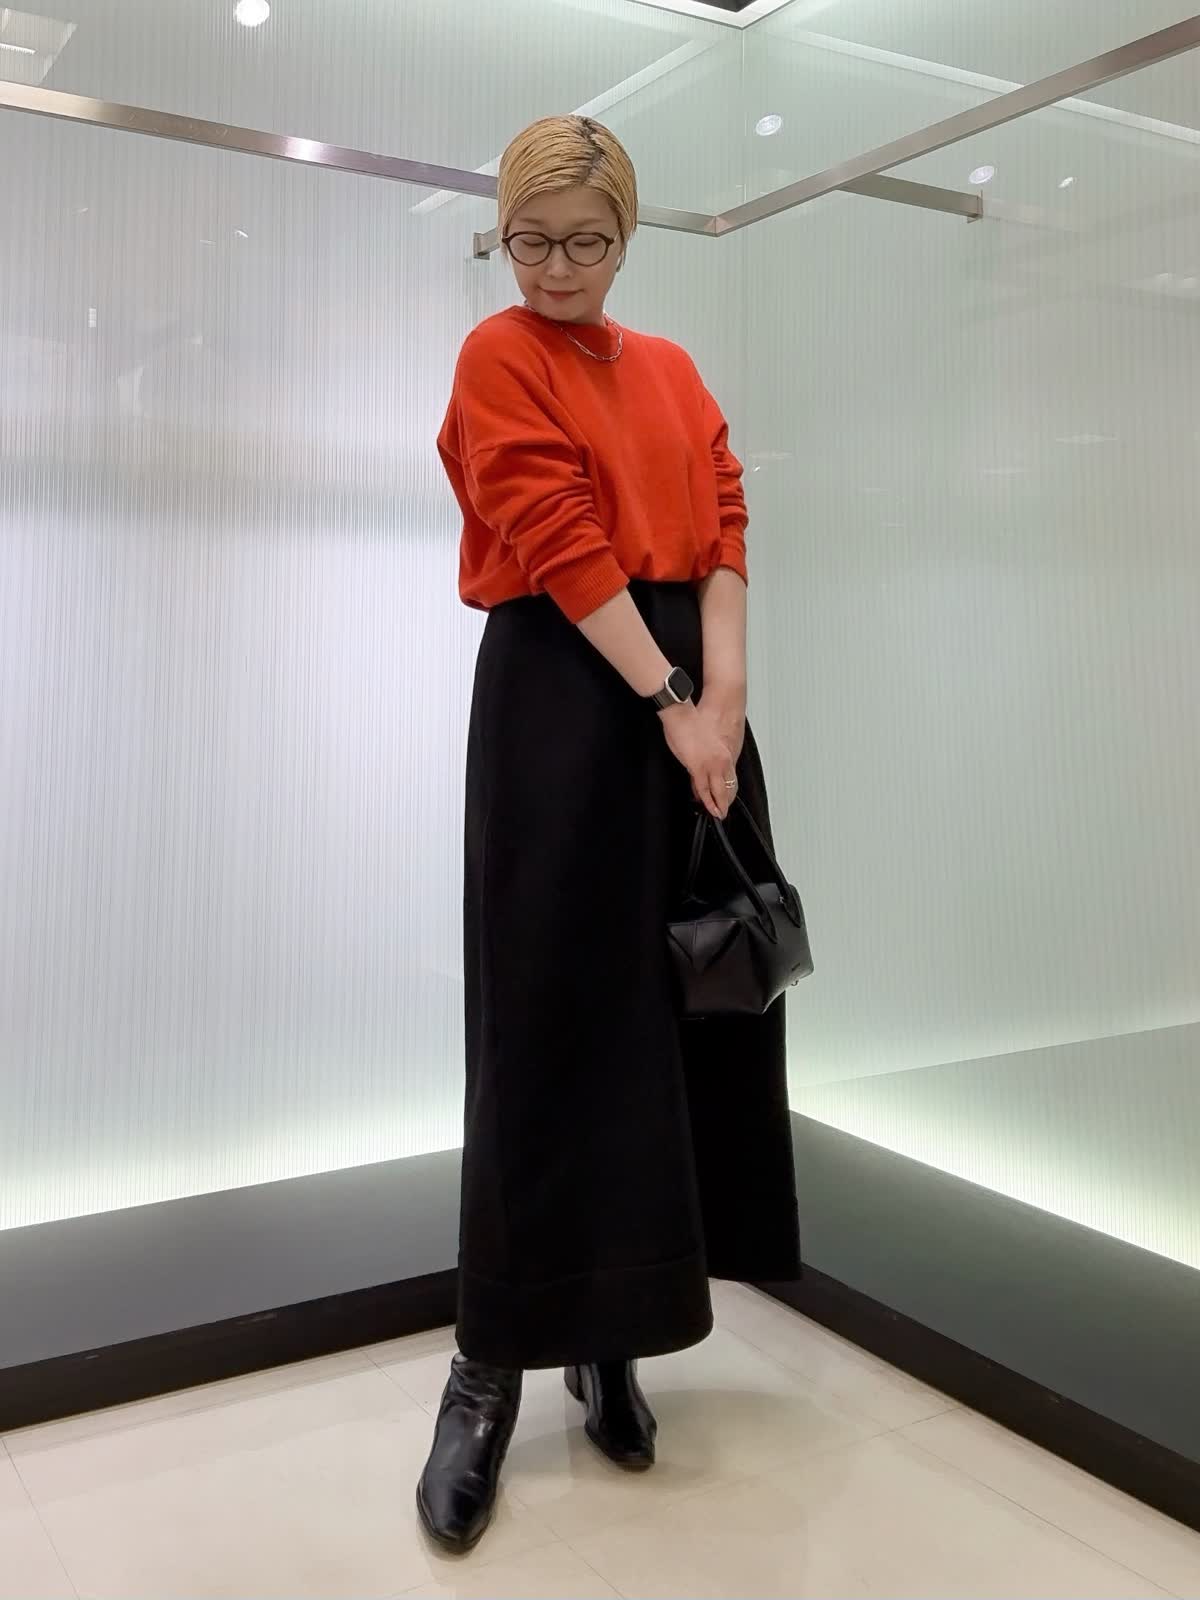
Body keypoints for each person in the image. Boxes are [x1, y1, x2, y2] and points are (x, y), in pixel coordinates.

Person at [416, 115, 802, 1554]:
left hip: (687, 703)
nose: (557, 267)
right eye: (531, 240)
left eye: (586, 241)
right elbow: (557, 538)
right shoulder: (498, 354)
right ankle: (489, 1363)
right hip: (567, 696)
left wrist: (723, 701)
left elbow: (725, 525)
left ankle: (612, 1338)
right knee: (543, 1020)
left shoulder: (673, 368)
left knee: (667, 1022)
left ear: (628, 237)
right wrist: (672, 703)